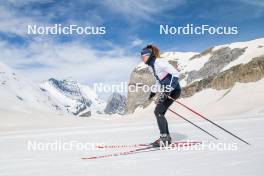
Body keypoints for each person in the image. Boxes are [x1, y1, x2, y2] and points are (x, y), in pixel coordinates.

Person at [140, 44, 181, 147]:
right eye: (141, 56)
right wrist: (153, 92)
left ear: (149, 55)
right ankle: (165, 138)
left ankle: (164, 138)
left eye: (144, 56)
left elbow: (176, 74)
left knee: (158, 112)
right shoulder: (152, 66)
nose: (142, 58)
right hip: (168, 91)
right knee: (159, 112)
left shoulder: (159, 62)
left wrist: (168, 89)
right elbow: (159, 81)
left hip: (174, 90)